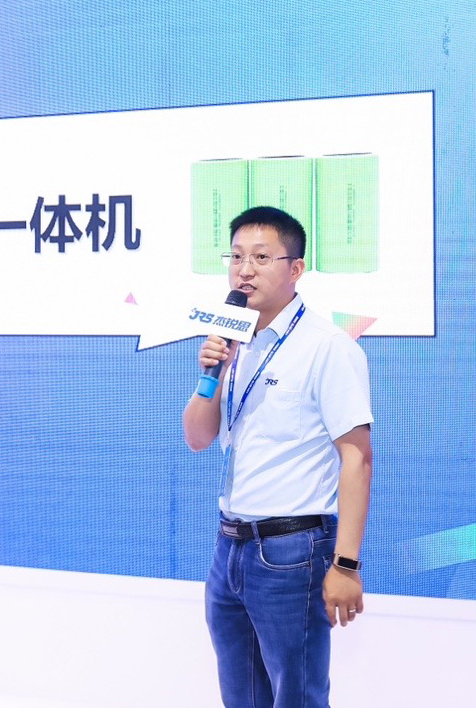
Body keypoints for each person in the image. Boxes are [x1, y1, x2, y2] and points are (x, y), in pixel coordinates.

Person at [182, 206, 373, 708]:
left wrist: (346, 565)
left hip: (292, 552)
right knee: (241, 696)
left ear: (295, 269)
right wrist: (212, 374)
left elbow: (357, 458)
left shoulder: (327, 347)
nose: (244, 270)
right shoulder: (234, 344)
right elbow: (197, 437)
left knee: (298, 697)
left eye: (261, 258)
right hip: (230, 547)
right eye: (236, 257)